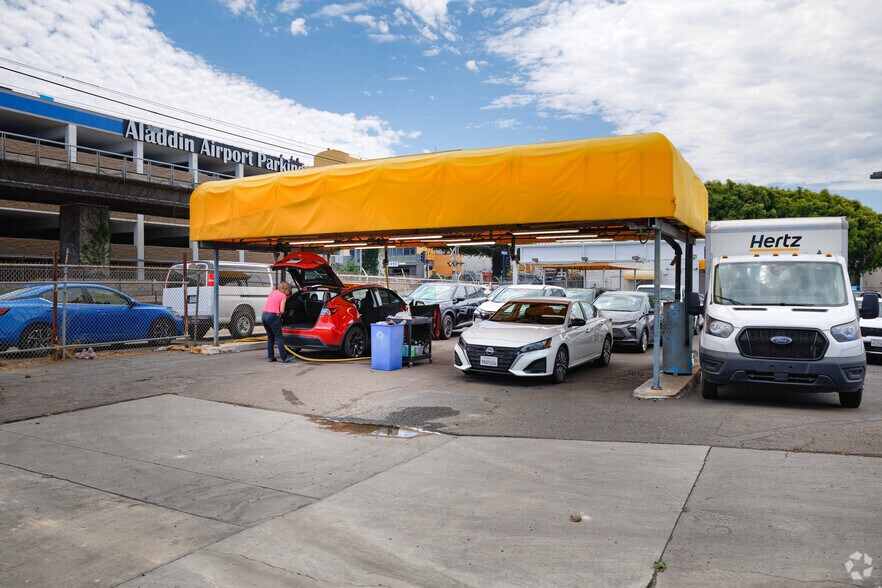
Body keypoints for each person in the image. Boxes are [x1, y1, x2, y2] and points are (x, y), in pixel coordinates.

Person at [262, 281, 293, 363]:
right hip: (273, 316)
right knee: (279, 337)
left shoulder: (273, 292)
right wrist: (280, 316)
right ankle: (284, 358)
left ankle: (271, 357)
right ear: (287, 289)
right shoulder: (283, 296)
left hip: (264, 315)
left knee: (270, 337)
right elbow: (282, 310)